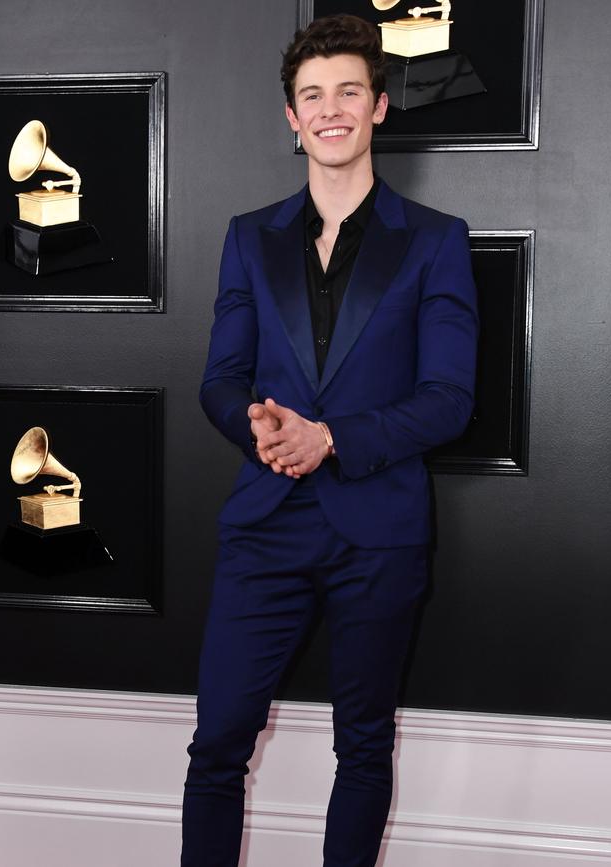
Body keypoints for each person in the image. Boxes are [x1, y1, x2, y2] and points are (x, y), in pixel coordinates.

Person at [181, 13, 478, 867]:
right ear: (292, 117)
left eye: (349, 91)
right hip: (264, 523)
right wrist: (258, 423)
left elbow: (449, 399)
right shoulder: (249, 236)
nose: (331, 109)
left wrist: (332, 438)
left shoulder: (434, 241)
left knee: (365, 747)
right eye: (312, 95)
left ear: (379, 106)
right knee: (217, 745)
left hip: (378, 532)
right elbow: (219, 379)